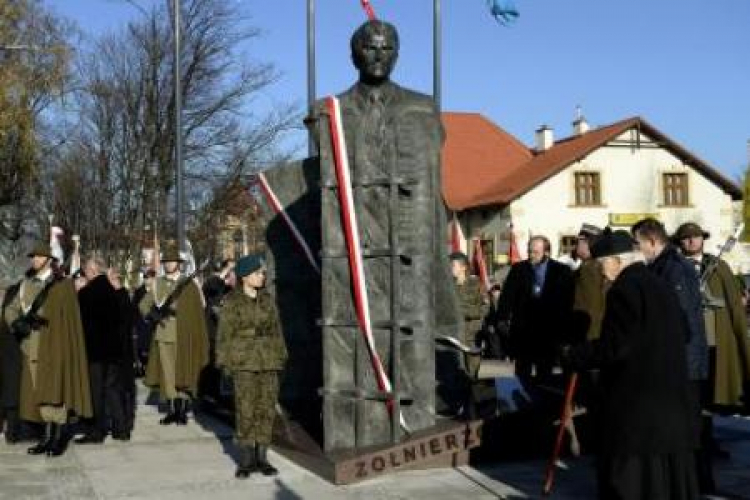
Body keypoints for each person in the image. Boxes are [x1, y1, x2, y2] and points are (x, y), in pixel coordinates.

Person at [308, 19, 463, 448]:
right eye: (370, 48)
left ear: (397, 54)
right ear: (354, 53)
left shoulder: (421, 106)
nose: (378, 55)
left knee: (411, 334)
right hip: (351, 247)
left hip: (410, 244)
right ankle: (363, 424)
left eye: (387, 48)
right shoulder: (331, 111)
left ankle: (414, 421)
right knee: (355, 333)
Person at [565, 229, 698, 500]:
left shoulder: (624, 289)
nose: (602, 273)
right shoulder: (659, 282)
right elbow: (685, 331)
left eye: (602, 265)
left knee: (635, 479)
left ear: (617, 261)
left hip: (638, 402)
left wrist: (576, 355)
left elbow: (616, 347)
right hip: (670, 398)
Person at [631, 217, 708, 493]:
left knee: (688, 429)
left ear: (653, 242)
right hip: (676, 361)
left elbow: (682, 322)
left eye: (638, 244)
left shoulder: (675, 270)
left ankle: (695, 483)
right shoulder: (662, 267)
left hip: (684, 363)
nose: (636, 250)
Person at [2, 242, 92, 457]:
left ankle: (58, 437)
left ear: (49, 260)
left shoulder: (63, 286)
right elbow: (10, 308)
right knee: (38, 391)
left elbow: (68, 319)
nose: (34, 260)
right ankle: (46, 437)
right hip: (30, 347)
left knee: (55, 391)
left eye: (39, 257)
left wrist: (43, 317)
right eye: (33, 256)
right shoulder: (26, 284)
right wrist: (16, 323)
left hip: (55, 346)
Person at [216, 255, 288, 478]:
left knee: (266, 409)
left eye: (262, 273)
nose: (262, 276)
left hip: (268, 359)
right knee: (245, 409)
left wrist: (281, 355)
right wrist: (224, 363)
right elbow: (224, 335)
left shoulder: (267, 300)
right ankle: (247, 460)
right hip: (243, 360)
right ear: (245, 276)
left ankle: (262, 457)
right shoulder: (231, 302)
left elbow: (277, 330)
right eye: (258, 273)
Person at [140, 244, 209, 425]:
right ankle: (173, 410)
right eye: (167, 262)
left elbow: (199, 307)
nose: (170, 265)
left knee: (183, 370)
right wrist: (152, 314)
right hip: (164, 333)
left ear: (179, 264)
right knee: (168, 373)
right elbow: (143, 305)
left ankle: (183, 409)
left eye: (173, 262)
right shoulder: (158, 283)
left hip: (184, 333)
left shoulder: (189, 283)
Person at [496, 235, 574, 393]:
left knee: (545, 373)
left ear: (546, 252)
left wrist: (564, 330)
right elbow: (507, 297)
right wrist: (502, 318)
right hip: (524, 331)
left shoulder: (561, 271)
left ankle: (542, 403)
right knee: (522, 372)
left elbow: (568, 301)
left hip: (548, 332)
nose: (531, 255)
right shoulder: (519, 269)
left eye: (536, 252)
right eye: (529, 251)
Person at [75, 256, 134, 443]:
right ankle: (121, 429)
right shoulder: (113, 291)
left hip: (95, 351)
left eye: (85, 270)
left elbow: (80, 324)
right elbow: (125, 318)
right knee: (113, 390)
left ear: (92, 271)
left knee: (96, 392)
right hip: (114, 351)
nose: (84, 273)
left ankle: (97, 431)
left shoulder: (86, 294)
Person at [571, 224, 606, 342]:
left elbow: (592, 306)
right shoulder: (591, 265)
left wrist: (588, 337)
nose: (575, 246)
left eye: (579, 242)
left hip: (588, 334)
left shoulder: (590, 269)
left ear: (588, 243)